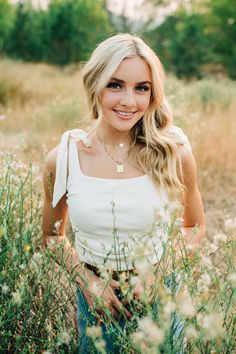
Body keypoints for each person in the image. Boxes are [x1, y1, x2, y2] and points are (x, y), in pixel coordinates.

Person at [42, 33, 205, 353]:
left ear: (153, 93)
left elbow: (194, 226)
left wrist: (159, 273)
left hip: (161, 297)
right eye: (115, 85)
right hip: (98, 305)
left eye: (141, 88)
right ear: (94, 85)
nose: (129, 101)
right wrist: (88, 282)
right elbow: (51, 236)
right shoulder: (62, 158)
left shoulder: (173, 151)